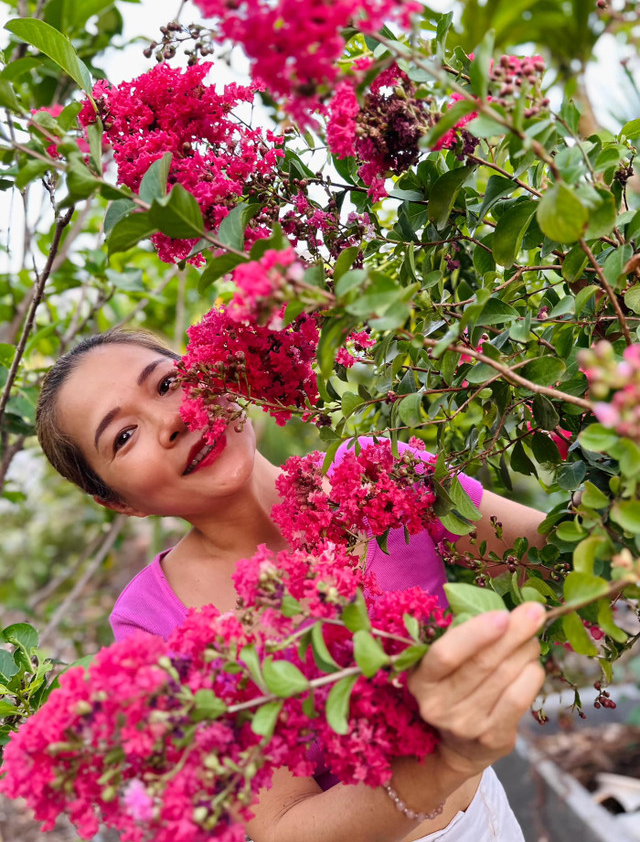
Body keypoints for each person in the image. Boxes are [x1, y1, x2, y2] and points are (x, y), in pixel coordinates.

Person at [36, 327, 547, 842]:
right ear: (120, 502)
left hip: (491, 816)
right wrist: (449, 758)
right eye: (123, 436)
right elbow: (285, 826)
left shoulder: (374, 469)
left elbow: (551, 558)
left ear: (216, 371)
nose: (171, 421)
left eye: (168, 384)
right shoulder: (153, 618)